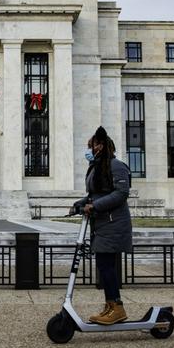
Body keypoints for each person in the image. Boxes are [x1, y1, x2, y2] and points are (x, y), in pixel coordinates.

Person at [73, 126, 133, 325]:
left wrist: (95, 206)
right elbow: (96, 193)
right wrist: (80, 204)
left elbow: (121, 193)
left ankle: (117, 307)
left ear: (100, 146)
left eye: (91, 146)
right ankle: (110, 305)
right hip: (102, 224)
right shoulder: (98, 167)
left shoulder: (116, 165)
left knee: (107, 266)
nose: (89, 150)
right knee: (103, 265)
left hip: (113, 223)